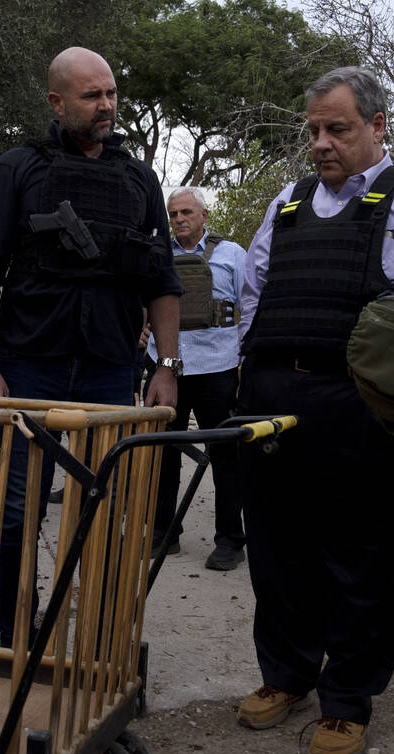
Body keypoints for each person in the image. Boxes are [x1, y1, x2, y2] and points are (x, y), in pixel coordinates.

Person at [234, 66, 394, 754]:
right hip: (277, 399)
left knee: (367, 554)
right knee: (278, 548)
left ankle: (347, 700)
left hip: (372, 407)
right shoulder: (287, 200)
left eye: (336, 128)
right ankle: (286, 676)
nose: (320, 143)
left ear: (377, 127)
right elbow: (254, 290)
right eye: (313, 130)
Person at [0, 47, 182, 647]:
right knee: (16, 515)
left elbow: (161, 281)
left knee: (107, 513)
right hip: (31, 364)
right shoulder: (16, 169)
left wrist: (167, 364)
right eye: (92, 96)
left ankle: (99, 643)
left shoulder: (140, 178)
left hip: (112, 369)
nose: (107, 105)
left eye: (111, 92)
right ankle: (16, 639)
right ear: (58, 102)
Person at [147, 187, 247, 569]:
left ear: (205, 215)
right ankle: (162, 534)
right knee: (162, 453)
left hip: (218, 366)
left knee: (224, 455)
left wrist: (243, 365)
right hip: (165, 367)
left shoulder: (232, 254)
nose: (178, 220)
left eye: (186, 212)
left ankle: (230, 541)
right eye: (173, 214)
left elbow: (250, 305)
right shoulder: (159, 256)